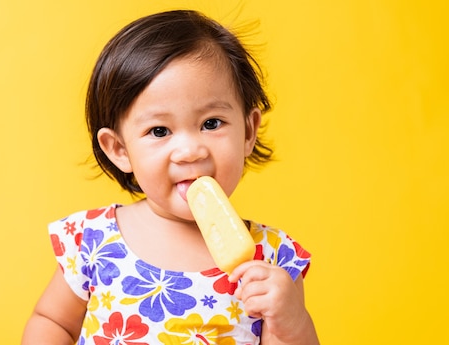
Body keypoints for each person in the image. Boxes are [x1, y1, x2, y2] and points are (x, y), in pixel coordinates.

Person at [22, 9, 319, 345]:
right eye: (159, 130)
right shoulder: (94, 242)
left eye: (211, 123)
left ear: (249, 131)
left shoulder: (272, 259)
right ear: (119, 149)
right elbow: (52, 321)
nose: (190, 150)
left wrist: (290, 321)